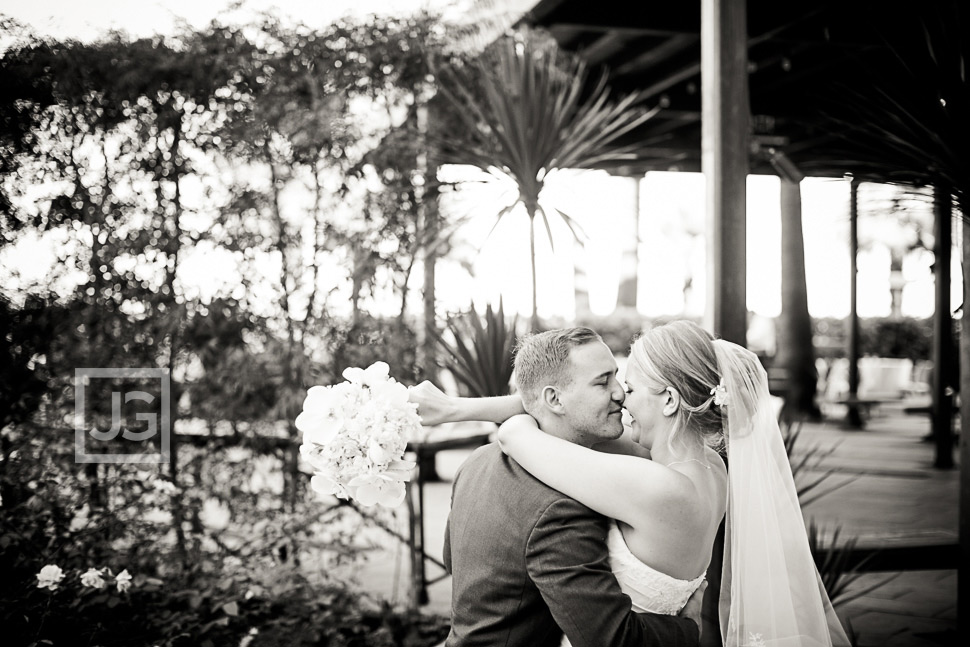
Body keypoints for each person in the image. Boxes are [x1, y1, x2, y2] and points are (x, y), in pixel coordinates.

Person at [411, 320, 851, 647]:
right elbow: (557, 403)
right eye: (611, 384)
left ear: (670, 399)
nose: (620, 397)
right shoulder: (706, 466)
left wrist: (477, 412)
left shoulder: (654, 487)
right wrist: (453, 408)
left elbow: (517, 431)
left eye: (629, 386)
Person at [414, 327, 704, 647]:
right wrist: (691, 626)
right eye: (602, 381)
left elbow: (452, 561)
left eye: (617, 377)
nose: (620, 393)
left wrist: (457, 409)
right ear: (553, 398)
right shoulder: (567, 504)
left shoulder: (476, 462)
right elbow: (611, 638)